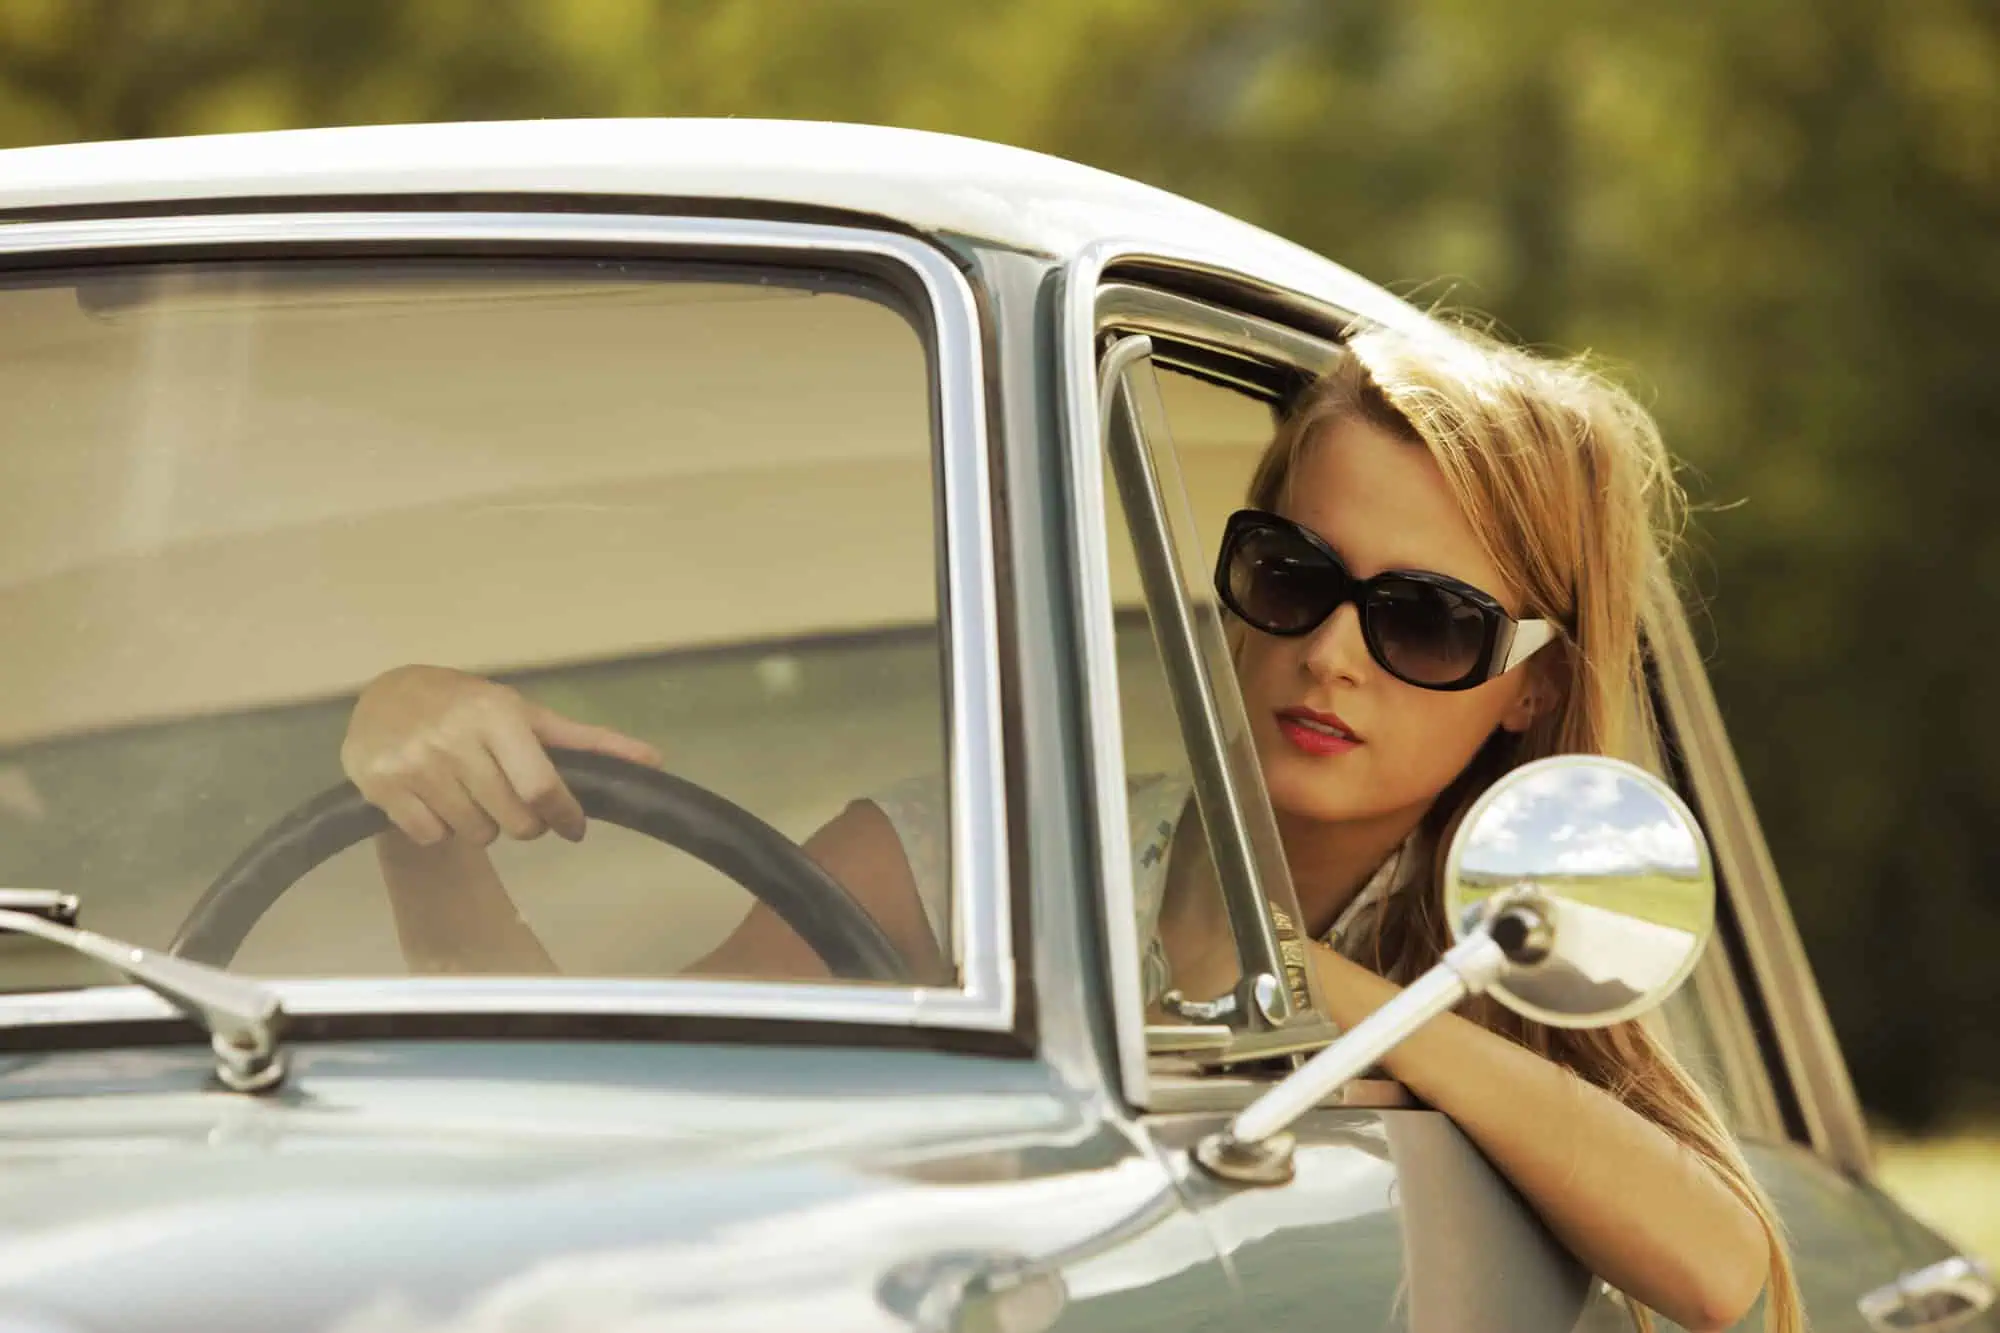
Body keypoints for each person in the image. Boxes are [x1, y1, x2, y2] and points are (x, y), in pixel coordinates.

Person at [340, 324, 1798, 1333]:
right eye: (1292, 573)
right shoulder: (963, 860)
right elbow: (594, 1129)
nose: (1332, 655)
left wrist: (1320, 989)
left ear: (1532, 690)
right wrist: (428, 814)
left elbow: (1731, 1275)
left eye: (1425, 619)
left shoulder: (1526, 943)